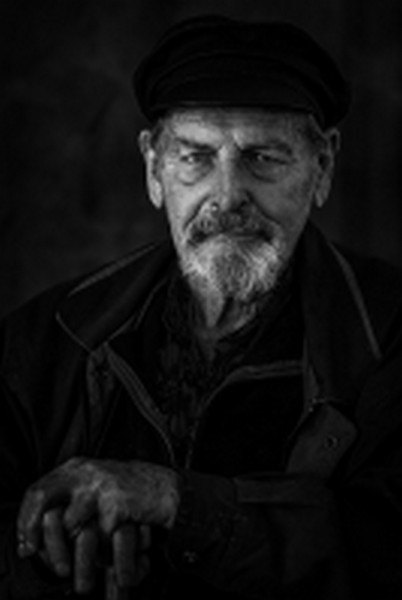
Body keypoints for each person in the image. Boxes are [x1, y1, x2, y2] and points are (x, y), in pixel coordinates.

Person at [1, 13, 402, 600]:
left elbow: (386, 539)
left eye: (264, 158)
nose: (228, 195)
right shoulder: (48, 338)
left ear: (323, 167)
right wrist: (45, 555)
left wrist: (172, 501)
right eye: (195, 157)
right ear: (153, 169)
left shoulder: (390, 333)